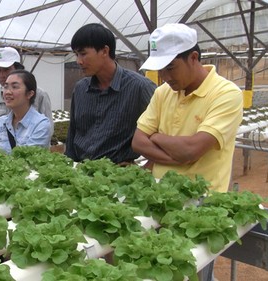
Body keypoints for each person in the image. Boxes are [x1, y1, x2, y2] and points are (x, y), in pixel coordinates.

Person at [132, 23, 243, 281]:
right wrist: (180, 153)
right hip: (159, 197)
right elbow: (137, 142)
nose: (165, 76)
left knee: (190, 271)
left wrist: (156, 137)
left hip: (201, 206)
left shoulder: (226, 93)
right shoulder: (163, 93)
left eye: (170, 67)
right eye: (161, 69)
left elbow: (193, 149)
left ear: (193, 57)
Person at [65, 23, 156, 165]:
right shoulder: (81, 89)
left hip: (117, 176)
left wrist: (146, 167)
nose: (78, 61)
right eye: (76, 55)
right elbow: (73, 134)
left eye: (83, 54)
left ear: (104, 51)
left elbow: (162, 131)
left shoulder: (140, 87)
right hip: (80, 172)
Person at [0, 47, 53, 134]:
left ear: (18, 69)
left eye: (6, 69)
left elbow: (48, 131)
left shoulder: (40, 95)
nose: (1, 75)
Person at [0, 70, 51, 154]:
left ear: (29, 94)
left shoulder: (41, 124)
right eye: (6, 87)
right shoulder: (1, 122)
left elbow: (28, 160)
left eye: (15, 87)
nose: (8, 92)